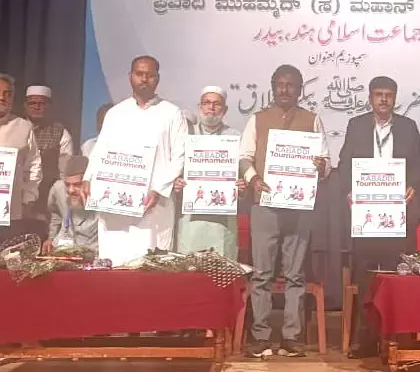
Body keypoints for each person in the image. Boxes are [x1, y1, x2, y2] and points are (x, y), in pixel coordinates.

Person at [239, 64, 330, 358]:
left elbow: (326, 164)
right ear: (272, 88)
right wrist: (254, 179)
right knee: (262, 274)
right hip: (265, 204)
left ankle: (292, 337)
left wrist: (321, 166)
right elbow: (244, 157)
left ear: (300, 89)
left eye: (290, 85)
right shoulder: (257, 119)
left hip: (299, 208)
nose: (284, 90)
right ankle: (261, 337)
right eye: (279, 84)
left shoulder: (312, 120)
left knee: (295, 275)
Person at [338, 76, 420, 358]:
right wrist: (350, 191)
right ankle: (365, 340)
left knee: (397, 278)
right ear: (370, 98)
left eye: (388, 95)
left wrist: (413, 187)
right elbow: (345, 164)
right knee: (365, 280)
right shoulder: (357, 125)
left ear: (395, 98)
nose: (383, 99)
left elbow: (418, 167)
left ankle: (395, 339)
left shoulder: (408, 127)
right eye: (378, 94)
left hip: (397, 216)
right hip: (366, 216)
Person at [82, 55, 188, 266]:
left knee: (150, 266)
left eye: (150, 75)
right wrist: (88, 178)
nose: (144, 79)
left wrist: (157, 189)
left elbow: (180, 156)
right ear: (130, 76)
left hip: (153, 203)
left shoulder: (172, 113)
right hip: (114, 205)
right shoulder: (115, 113)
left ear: (157, 79)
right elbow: (100, 149)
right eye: (139, 74)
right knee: (116, 263)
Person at [173, 86, 245, 259]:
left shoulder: (235, 137)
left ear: (224, 109)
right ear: (200, 107)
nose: (211, 107)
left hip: (222, 220)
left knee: (221, 268)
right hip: (191, 218)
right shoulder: (186, 134)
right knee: (189, 268)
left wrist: (242, 186)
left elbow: (242, 176)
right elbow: (173, 167)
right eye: (206, 103)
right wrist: (176, 182)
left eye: (216, 104)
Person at [0, 74, 42, 243]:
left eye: (7, 94)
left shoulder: (23, 127)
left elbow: (34, 166)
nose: (2, 97)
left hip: (11, 212)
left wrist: (28, 199)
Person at [24, 85, 74, 218]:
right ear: (25, 105)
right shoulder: (15, 128)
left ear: (49, 106)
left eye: (42, 103)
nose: (37, 107)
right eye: (32, 103)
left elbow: (65, 173)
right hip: (16, 199)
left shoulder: (60, 133)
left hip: (46, 202)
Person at [43, 155, 99, 253]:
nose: (71, 190)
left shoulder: (102, 198)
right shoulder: (59, 189)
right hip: (67, 248)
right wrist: (51, 237)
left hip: (95, 251)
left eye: (78, 184)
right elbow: (56, 213)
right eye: (67, 184)